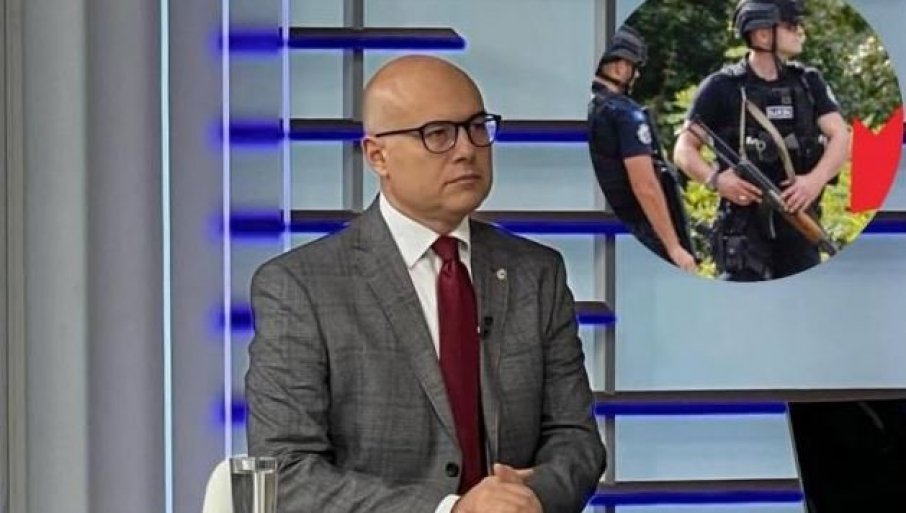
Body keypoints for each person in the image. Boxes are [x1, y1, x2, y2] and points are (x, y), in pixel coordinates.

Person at [245, 55, 606, 513]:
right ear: (377, 156)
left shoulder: (536, 272)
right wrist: (450, 510)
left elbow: (576, 440)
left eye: (477, 127)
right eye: (438, 134)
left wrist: (530, 497)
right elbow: (286, 472)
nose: (466, 149)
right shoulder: (300, 287)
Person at [673, 0, 849, 281]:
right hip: (743, 230)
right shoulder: (721, 87)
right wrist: (716, 180)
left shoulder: (808, 82)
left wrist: (814, 181)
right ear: (763, 34)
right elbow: (684, 149)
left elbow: (840, 136)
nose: (800, 31)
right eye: (791, 26)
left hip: (800, 223)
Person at [588, 25, 697, 272]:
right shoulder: (625, 114)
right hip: (632, 232)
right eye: (633, 67)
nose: (636, 75)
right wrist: (674, 248)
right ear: (619, 67)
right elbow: (645, 185)